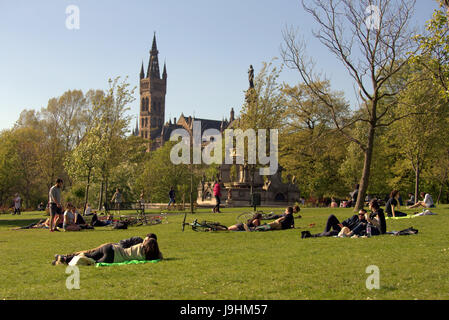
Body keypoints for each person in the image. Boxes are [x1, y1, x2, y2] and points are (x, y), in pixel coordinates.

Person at [52, 233, 163, 265]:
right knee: (90, 261)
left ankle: (64, 258)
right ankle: (66, 260)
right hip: (113, 257)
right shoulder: (146, 256)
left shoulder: (139, 244)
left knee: (89, 254)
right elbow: (160, 256)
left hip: (111, 247)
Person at [302, 209, 367, 238]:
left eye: (362, 214)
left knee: (331, 233)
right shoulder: (355, 217)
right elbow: (346, 221)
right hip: (341, 228)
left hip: (345, 232)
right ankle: (324, 233)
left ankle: (311, 236)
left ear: (365, 215)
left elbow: (356, 230)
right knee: (331, 216)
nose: (360, 215)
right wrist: (342, 225)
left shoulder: (363, 223)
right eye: (359, 214)